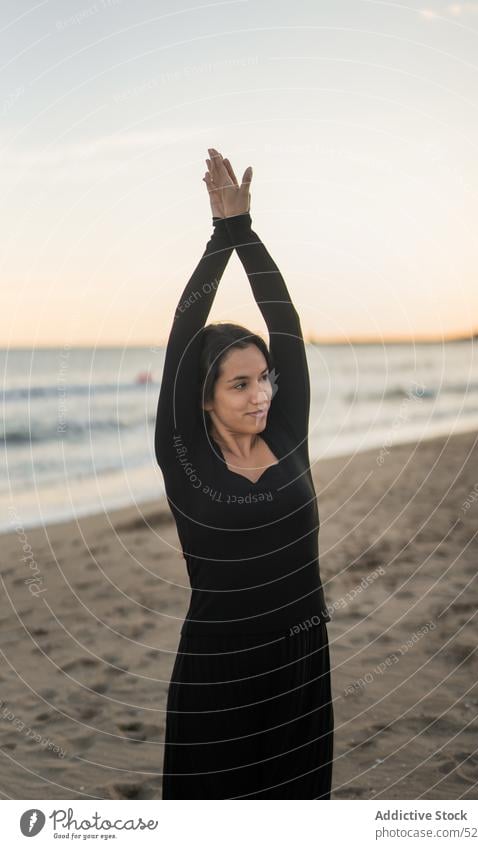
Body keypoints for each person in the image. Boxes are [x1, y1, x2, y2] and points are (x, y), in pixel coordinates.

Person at [154, 147, 334, 799]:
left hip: (302, 666)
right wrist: (217, 236)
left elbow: (282, 321)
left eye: (263, 379)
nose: (260, 393)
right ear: (202, 396)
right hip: (217, 676)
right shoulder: (185, 459)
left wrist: (245, 229)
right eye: (239, 383)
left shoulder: (287, 437)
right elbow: (182, 335)